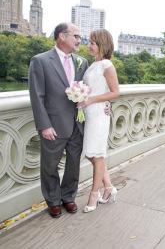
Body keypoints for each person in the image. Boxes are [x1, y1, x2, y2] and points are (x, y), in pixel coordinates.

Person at [28, 22, 89, 218]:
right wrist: (44, 125)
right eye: (76, 36)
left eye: (79, 37)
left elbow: (87, 90)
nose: (79, 40)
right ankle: (53, 200)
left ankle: (68, 197)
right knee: (49, 165)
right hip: (53, 125)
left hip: (77, 124)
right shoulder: (40, 60)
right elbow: (37, 96)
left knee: (73, 165)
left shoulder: (82, 62)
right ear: (62, 37)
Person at [77, 29, 119, 213]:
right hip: (90, 113)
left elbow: (115, 92)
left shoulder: (107, 65)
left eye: (92, 43)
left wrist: (91, 100)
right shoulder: (92, 65)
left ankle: (94, 193)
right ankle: (109, 187)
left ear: (102, 44)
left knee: (96, 154)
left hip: (99, 114)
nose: (89, 45)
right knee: (91, 153)